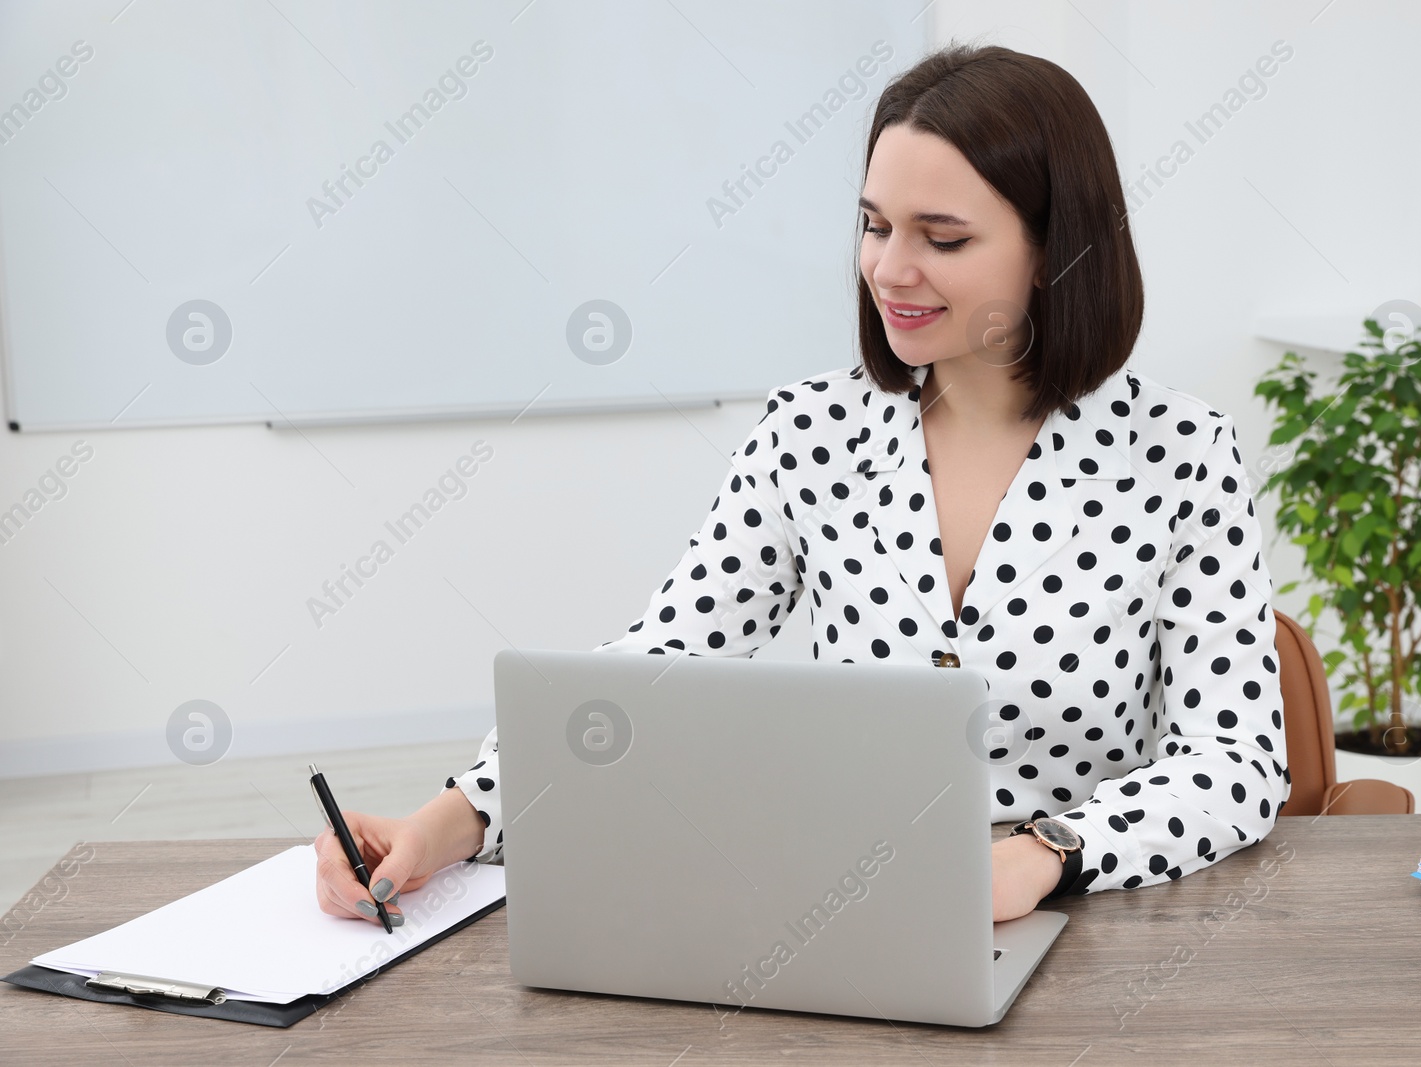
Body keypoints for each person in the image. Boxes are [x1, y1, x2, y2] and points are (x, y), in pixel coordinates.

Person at [314, 41, 1290, 929]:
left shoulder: (1180, 452)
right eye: (873, 225)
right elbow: (658, 666)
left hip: (1095, 923)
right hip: (848, 922)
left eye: (941, 238)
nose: (888, 268)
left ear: (1053, 250)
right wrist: (451, 817)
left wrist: (1044, 858)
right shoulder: (810, 432)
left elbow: (1235, 760)